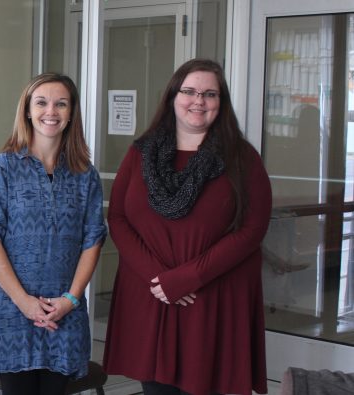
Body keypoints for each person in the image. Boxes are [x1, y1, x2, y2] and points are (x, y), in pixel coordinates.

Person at [103, 58, 271, 395]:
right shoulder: (140, 154)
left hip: (211, 299)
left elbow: (252, 229)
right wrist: (159, 278)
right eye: (190, 91)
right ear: (172, 96)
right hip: (151, 296)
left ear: (221, 104)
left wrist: (186, 278)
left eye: (210, 94)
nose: (199, 101)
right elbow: (118, 218)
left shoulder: (242, 158)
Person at [0, 73, 106, 395]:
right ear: (28, 111)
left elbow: (94, 239)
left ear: (71, 113)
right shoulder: (4, 166)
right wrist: (24, 302)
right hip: (10, 310)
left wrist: (71, 299)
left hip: (64, 312)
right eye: (42, 102)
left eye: (61, 104)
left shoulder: (85, 175)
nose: (51, 111)